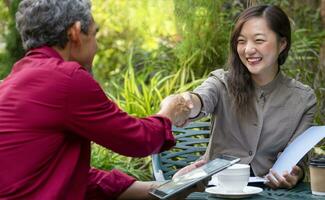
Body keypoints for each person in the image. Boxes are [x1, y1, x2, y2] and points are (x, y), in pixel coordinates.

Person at [0, 0, 193, 199]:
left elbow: (73, 178)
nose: (97, 46)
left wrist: (168, 188)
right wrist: (169, 113)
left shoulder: (12, 81)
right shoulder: (66, 78)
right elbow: (137, 140)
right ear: (75, 32)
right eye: (94, 34)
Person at [172, 4, 317, 189]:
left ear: (282, 44)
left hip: (268, 191)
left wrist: (295, 174)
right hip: (216, 189)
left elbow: (298, 159)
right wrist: (188, 103)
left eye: (258, 40)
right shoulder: (221, 82)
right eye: (241, 41)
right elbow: (200, 99)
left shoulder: (303, 99)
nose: (248, 50)